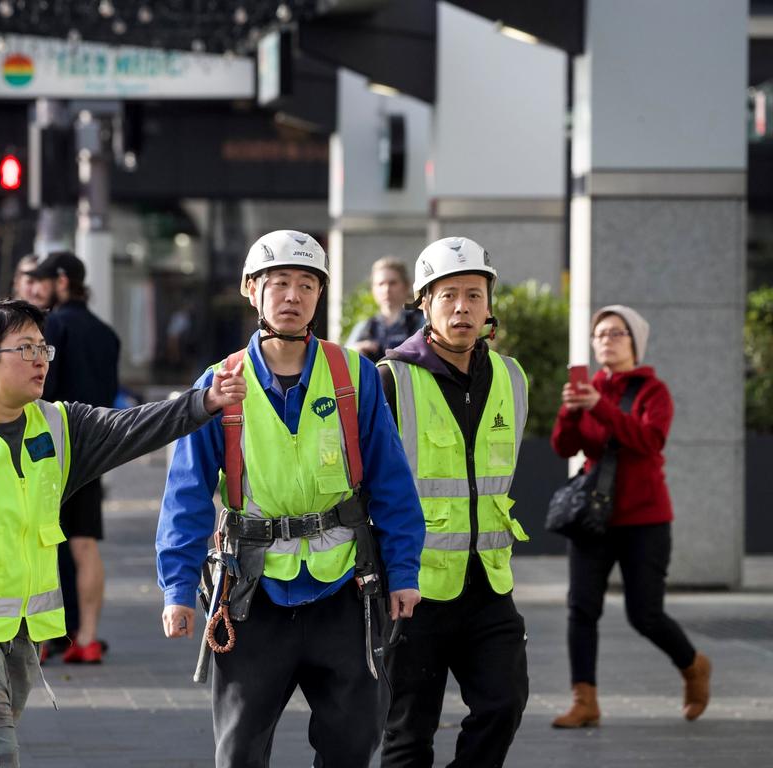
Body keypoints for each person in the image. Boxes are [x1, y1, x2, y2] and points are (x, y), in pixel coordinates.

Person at [0, 298, 246, 767]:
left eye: (43, 347)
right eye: (24, 348)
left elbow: (131, 427)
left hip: (18, 637)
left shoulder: (61, 426)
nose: (40, 359)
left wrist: (204, 401)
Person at [156, 230, 425, 768]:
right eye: (278, 282)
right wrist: (177, 589)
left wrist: (405, 570)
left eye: (306, 284)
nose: (292, 296)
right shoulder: (220, 382)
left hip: (345, 591)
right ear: (251, 290)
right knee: (239, 753)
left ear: (319, 296)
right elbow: (186, 493)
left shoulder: (354, 376)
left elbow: (393, 481)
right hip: (252, 595)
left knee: (352, 746)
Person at [378, 236, 530, 767]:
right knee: (407, 732)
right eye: (447, 296)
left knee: (504, 704)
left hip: (488, 581)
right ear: (424, 304)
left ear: (490, 303)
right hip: (413, 587)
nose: (462, 307)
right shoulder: (390, 379)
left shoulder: (512, 377)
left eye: (473, 294)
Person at [550, 304, 711, 727]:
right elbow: (564, 448)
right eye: (600, 333)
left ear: (635, 342)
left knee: (645, 614)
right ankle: (584, 701)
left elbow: (650, 440)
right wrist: (570, 411)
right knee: (580, 609)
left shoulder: (652, 391)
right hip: (592, 519)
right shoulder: (589, 388)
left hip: (644, 519)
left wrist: (599, 406)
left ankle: (693, 665)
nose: (606, 339)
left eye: (617, 333)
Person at [26, 251, 120, 664]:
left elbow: (43, 391)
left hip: (51, 448)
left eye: (43, 280)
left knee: (41, 542)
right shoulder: (106, 333)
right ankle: (88, 637)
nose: (37, 288)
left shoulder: (54, 327)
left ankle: (43, 637)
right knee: (85, 544)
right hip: (94, 448)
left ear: (61, 281)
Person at [345, 256, 425, 362]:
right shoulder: (365, 327)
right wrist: (355, 352)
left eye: (392, 283)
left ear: (406, 286)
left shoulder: (422, 322)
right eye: (380, 284)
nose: (386, 289)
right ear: (373, 289)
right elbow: (342, 358)